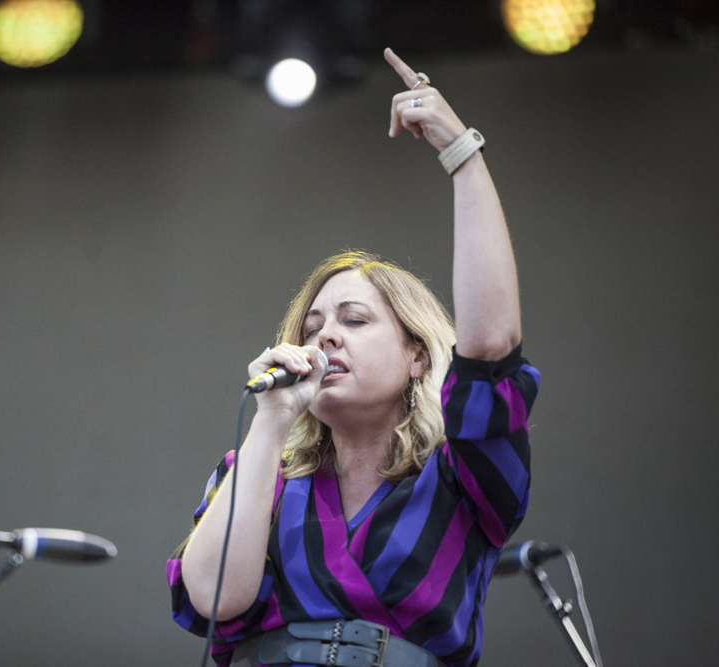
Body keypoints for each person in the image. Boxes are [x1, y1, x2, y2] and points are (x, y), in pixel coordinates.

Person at [167, 49, 540, 667]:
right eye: (313, 327)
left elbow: (492, 347)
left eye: (355, 320)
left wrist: (462, 157)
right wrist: (271, 421)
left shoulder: (458, 476)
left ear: (418, 356)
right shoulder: (263, 473)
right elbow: (213, 599)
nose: (326, 338)